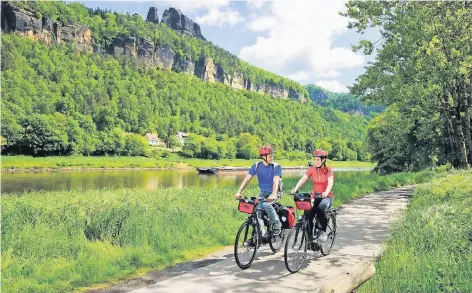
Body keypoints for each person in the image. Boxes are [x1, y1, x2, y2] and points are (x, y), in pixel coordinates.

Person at [234, 145, 283, 236]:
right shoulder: (256, 166)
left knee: (266, 204)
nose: (272, 157)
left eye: (272, 155)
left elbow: (276, 181)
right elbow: (247, 179)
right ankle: (261, 235)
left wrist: (273, 194)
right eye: (270, 156)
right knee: (256, 212)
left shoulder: (276, 166)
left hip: (274, 192)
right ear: (263, 157)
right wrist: (239, 192)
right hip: (263, 193)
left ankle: (277, 223)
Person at [291, 149, 334, 241]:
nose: (316, 161)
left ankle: (322, 231)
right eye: (315, 159)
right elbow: (303, 179)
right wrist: (295, 188)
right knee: (308, 215)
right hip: (315, 196)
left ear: (323, 160)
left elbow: (330, 182)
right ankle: (310, 239)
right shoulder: (312, 169)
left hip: (326, 197)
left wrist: (326, 192)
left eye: (318, 160)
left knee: (321, 208)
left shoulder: (327, 170)